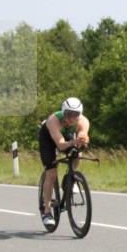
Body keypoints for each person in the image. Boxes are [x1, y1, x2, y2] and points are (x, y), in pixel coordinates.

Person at [38, 97, 91, 228]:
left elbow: (83, 134)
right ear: (63, 112)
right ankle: (47, 212)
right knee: (51, 173)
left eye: (75, 115)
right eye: (68, 114)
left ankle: (69, 179)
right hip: (48, 138)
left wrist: (82, 139)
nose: (71, 118)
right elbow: (61, 146)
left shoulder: (83, 120)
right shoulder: (53, 120)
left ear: (79, 114)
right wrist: (73, 141)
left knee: (77, 153)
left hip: (65, 135)